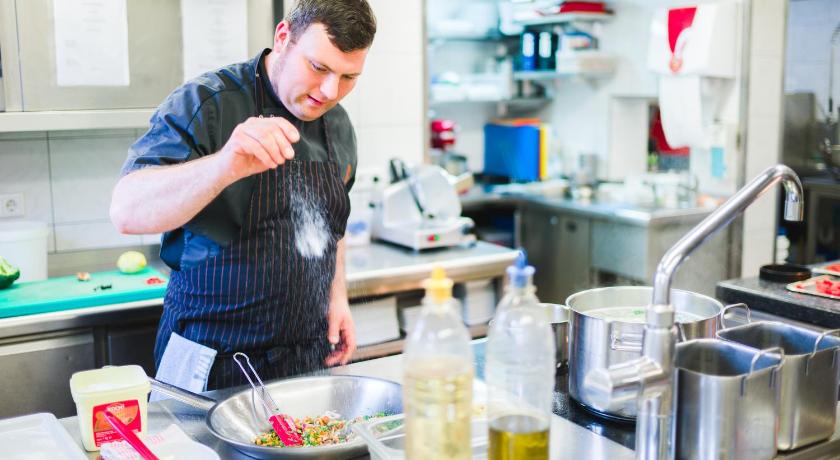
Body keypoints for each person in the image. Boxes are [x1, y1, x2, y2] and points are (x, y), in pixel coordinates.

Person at [110, 0, 376, 390]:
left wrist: (337, 299)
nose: (330, 91)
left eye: (348, 76)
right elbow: (126, 210)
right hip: (208, 361)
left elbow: (332, 228)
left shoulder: (337, 122)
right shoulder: (207, 103)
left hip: (304, 360)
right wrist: (225, 164)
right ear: (283, 37)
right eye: (318, 68)